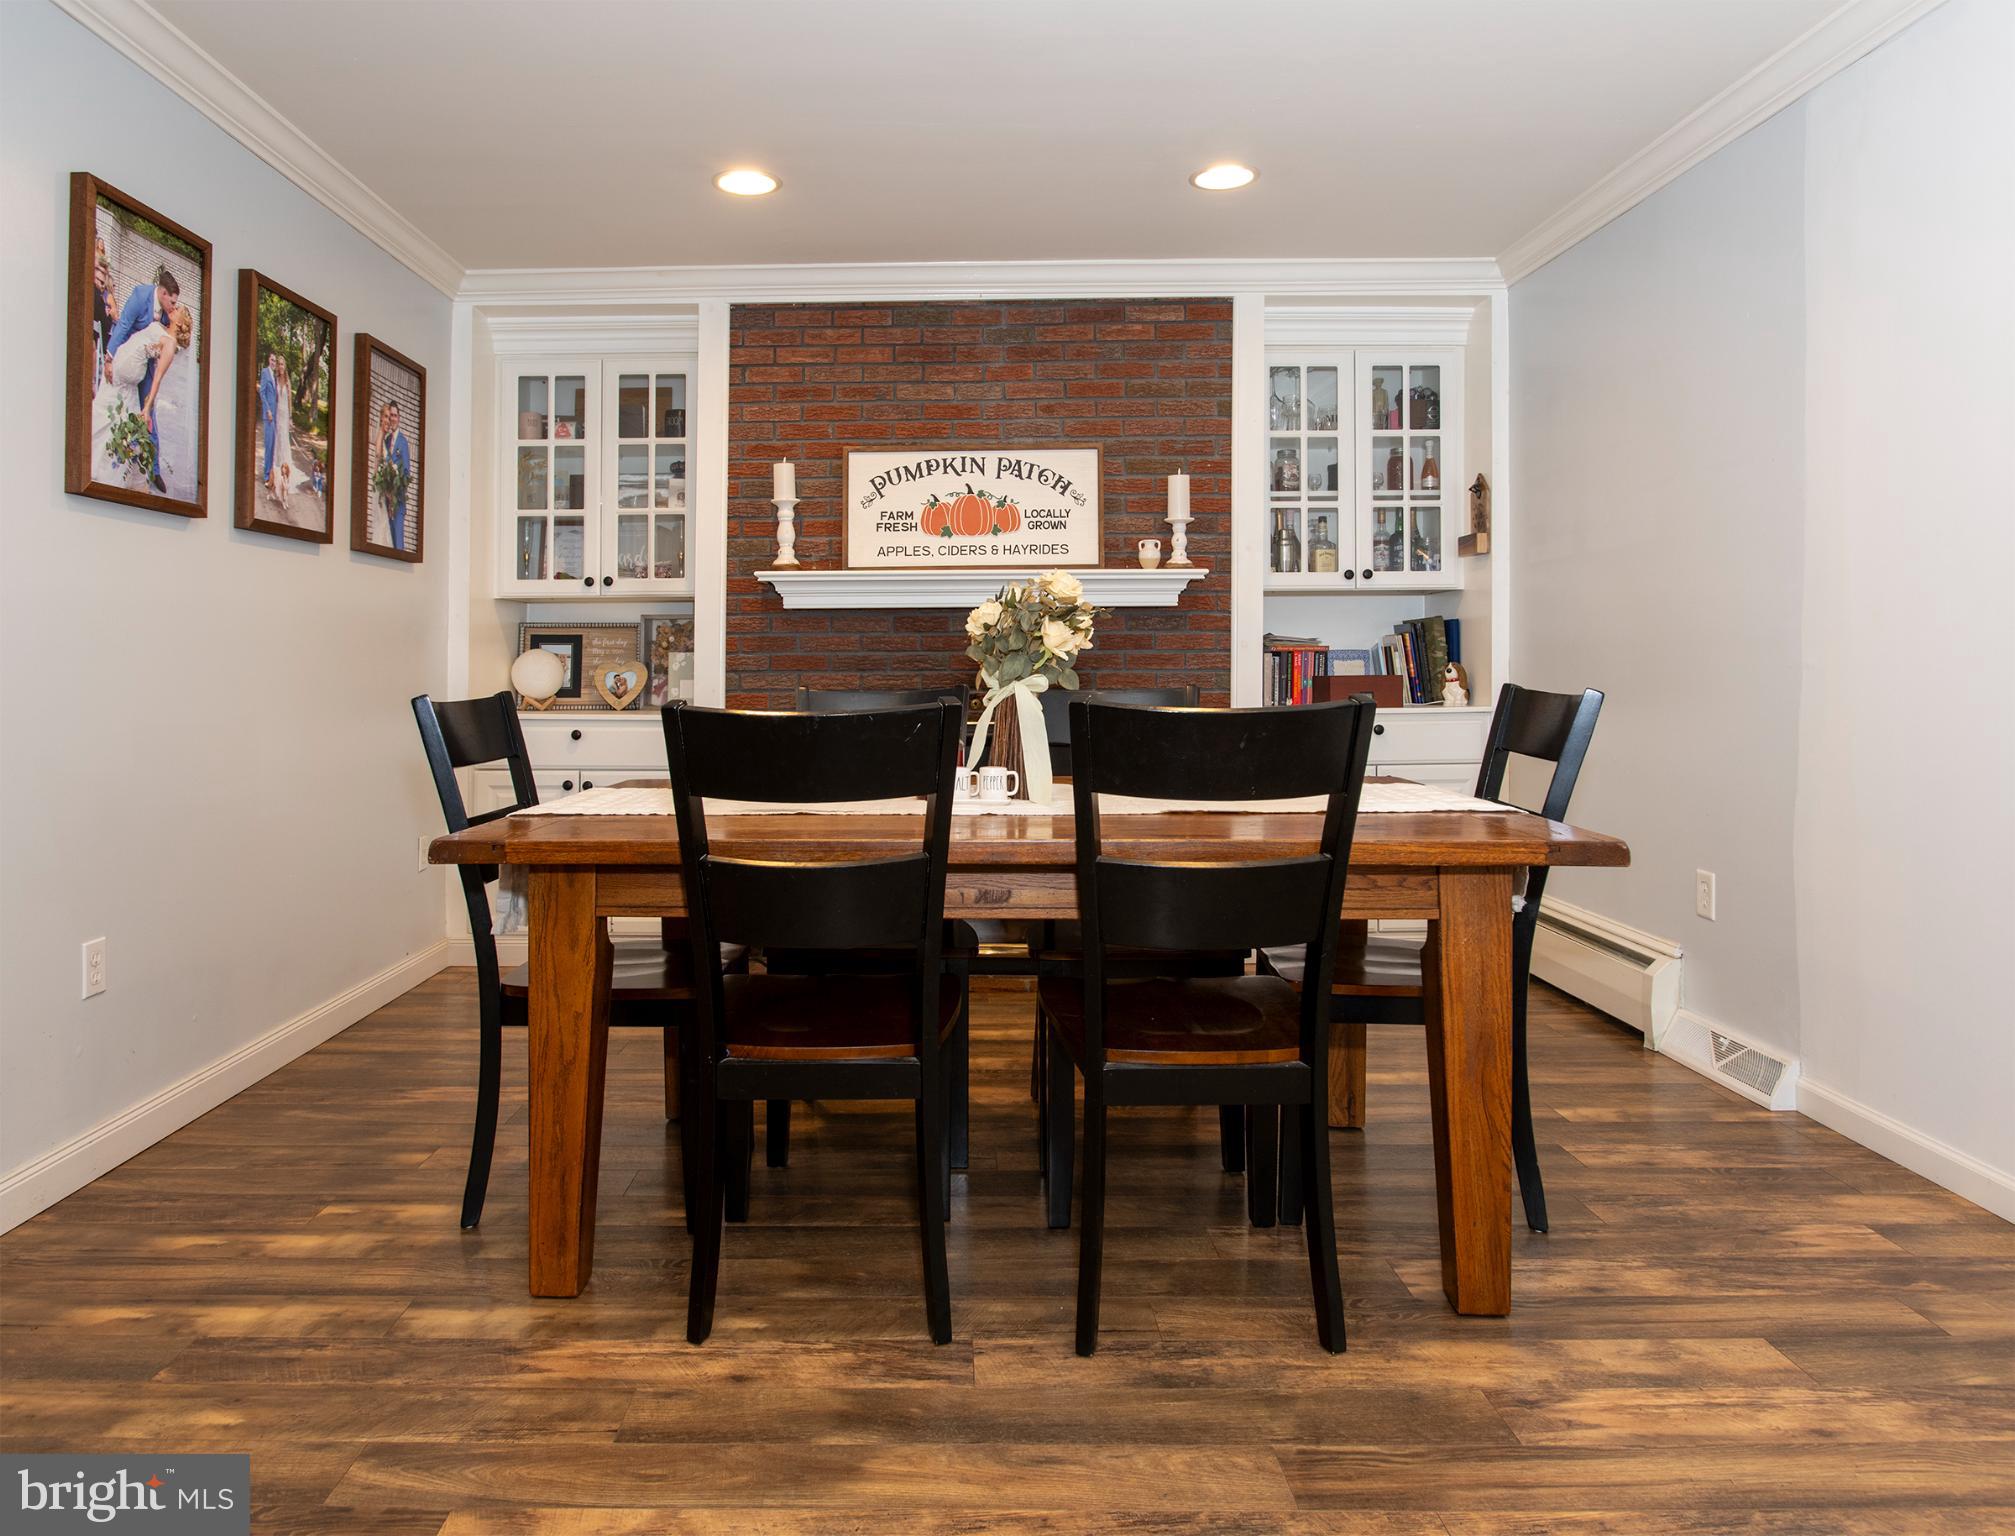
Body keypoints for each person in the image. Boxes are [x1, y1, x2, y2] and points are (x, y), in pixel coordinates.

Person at [103, 265, 180, 493]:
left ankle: (153, 470)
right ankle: (123, 458)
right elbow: (124, 325)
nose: (173, 306)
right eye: (172, 301)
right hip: (130, 357)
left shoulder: (167, 312)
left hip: (147, 364)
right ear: (163, 293)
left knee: (148, 412)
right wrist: (109, 358)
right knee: (125, 406)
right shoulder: (140, 296)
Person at [376, 399, 413, 551]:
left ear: (399, 418)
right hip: (386, 499)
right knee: (388, 545)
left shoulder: (403, 442)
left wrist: (395, 493)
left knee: (398, 547)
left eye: (395, 415)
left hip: (397, 502)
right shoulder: (386, 441)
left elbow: (406, 474)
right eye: (390, 415)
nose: (392, 418)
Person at [258, 350, 279, 487]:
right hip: (269, 416)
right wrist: (268, 411)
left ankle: (271, 475)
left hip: (276, 416)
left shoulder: (275, 376)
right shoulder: (265, 372)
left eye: (275, 361)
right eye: (272, 360)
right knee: (268, 445)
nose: (273, 363)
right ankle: (266, 476)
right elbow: (262, 393)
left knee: (273, 447)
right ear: (268, 360)